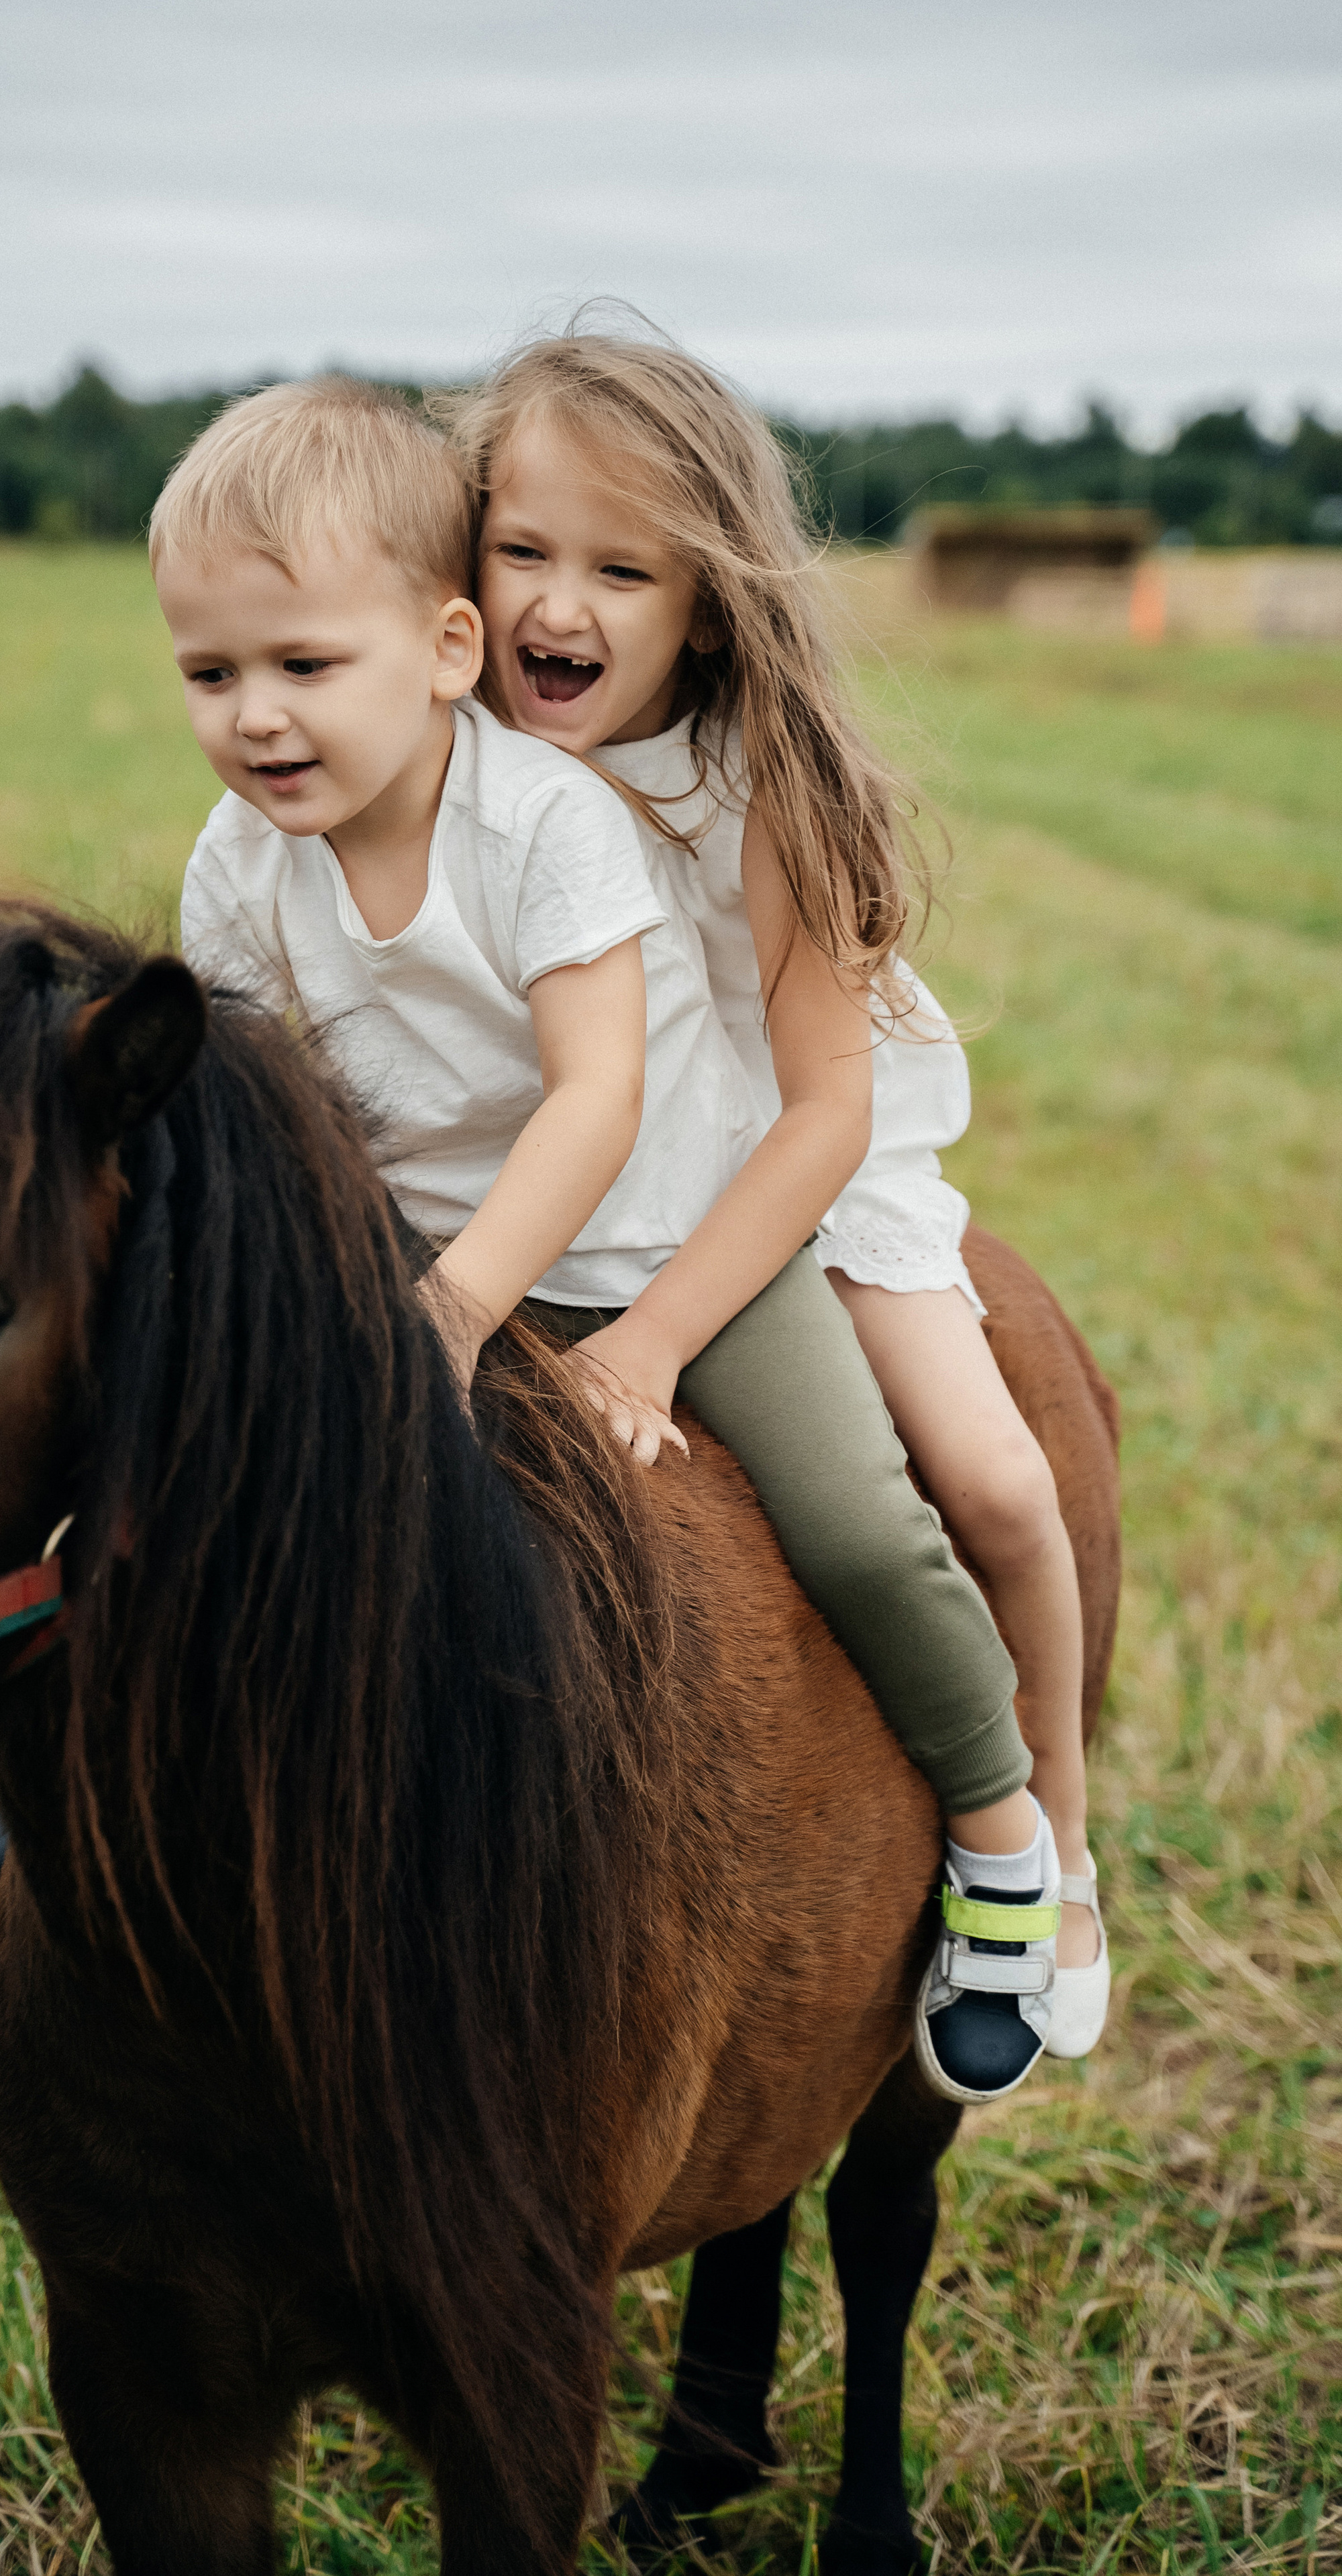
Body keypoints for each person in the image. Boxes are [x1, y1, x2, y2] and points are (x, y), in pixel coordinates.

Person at [0, 372, 1095, 2104]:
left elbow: (605, 1100)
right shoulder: (246, 854)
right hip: (429, 1233)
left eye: (621, 569)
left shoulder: (554, 819)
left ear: (445, 646)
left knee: (873, 1520)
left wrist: (528, 1319)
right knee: (157, 1401)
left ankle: (1009, 1833)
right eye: (212, 675)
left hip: (671, 1235)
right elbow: (261, 1103)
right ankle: (73, 1731)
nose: (257, 716)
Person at [434, 321, 1109, 2083]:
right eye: (522, 550)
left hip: (785, 1165)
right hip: (567, 1160)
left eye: (621, 570)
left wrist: (656, 1339)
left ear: (712, 608)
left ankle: (1044, 1837)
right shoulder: (443, 746)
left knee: (981, 1486)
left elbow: (823, 1113)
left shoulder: (758, 790)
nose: (555, 605)